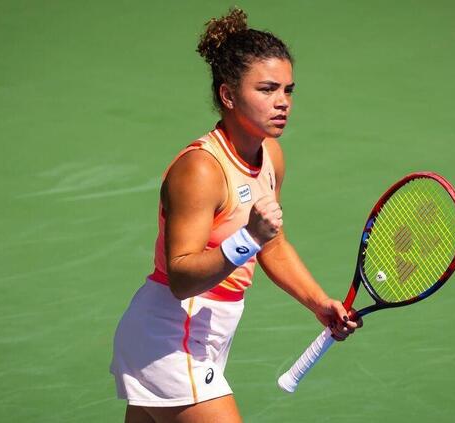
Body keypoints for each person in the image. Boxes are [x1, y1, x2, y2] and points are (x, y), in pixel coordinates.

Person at [110, 8, 362, 423]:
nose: (282, 102)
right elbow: (181, 277)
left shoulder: (270, 156)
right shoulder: (201, 170)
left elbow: (273, 243)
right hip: (175, 334)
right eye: (267, 89)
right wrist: (246, 236)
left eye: (288, 90)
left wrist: (319, 303)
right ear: (228, 95)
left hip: (204, 335)